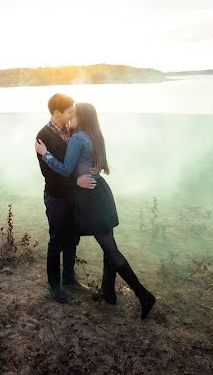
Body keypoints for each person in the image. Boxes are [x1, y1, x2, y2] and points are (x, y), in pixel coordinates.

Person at [35, 102, 157, 320]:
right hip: (100, 191)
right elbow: (96, 164)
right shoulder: (95, 134)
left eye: (74, 114)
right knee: (108, 245)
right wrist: (83, 175)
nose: (71, 117)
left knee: (110, 249)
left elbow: (65, 169)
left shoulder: (76, 137)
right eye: (69, 113)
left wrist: (45, 154)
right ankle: (108, 293)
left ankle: (143, 294)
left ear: (81, 117)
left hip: (90, 197)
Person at [35, 93, 97, 303]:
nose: (72, 115)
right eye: (69, 112)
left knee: (72, 237)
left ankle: (69, 278)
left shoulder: (71, 130)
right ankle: (54, 287)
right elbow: (50, 175)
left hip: (74, 197)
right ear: (56, 113)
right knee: (57, 240)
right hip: (57, 197)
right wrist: (76, 182)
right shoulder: (43, 136)